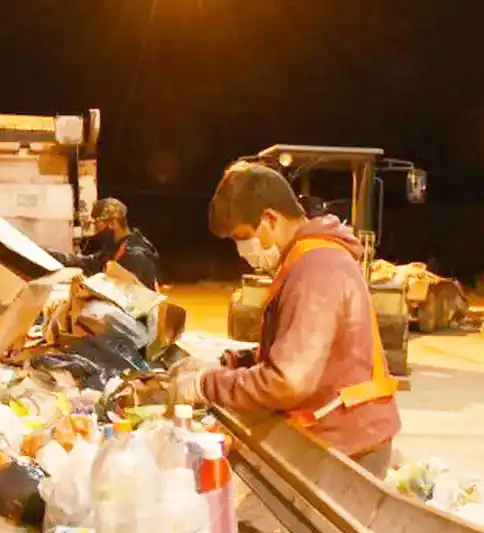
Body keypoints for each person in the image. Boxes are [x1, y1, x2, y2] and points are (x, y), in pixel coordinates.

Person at [167, 161, 400, 478]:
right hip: (338, 434)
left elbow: (287, 381)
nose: (240, 251)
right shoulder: (306, 260)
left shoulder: (317, 268)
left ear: (269, 219)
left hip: (349, 446)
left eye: (242, 237)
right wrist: (228, 362)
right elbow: (289, 350)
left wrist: (205, 385)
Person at [52, 197, 160, 290]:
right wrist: (51, 255)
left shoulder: (135, 255)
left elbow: (131, 298)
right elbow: (87, 262)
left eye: (97, 225)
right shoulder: (114, 248)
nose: (96, 232)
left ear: (112, 224)